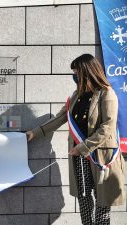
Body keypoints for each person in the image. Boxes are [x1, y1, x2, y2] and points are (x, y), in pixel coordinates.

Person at [26, 54, 125, 225]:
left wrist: (82, 147)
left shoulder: (106, 93)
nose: (75, 76)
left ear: (87, 72)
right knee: (84, 199)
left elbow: (107, 127)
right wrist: (35, 132)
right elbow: (60, 118)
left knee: (102, 204)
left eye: (77, 72)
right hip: (79, 156)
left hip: (101, 156)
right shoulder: (77, 95)